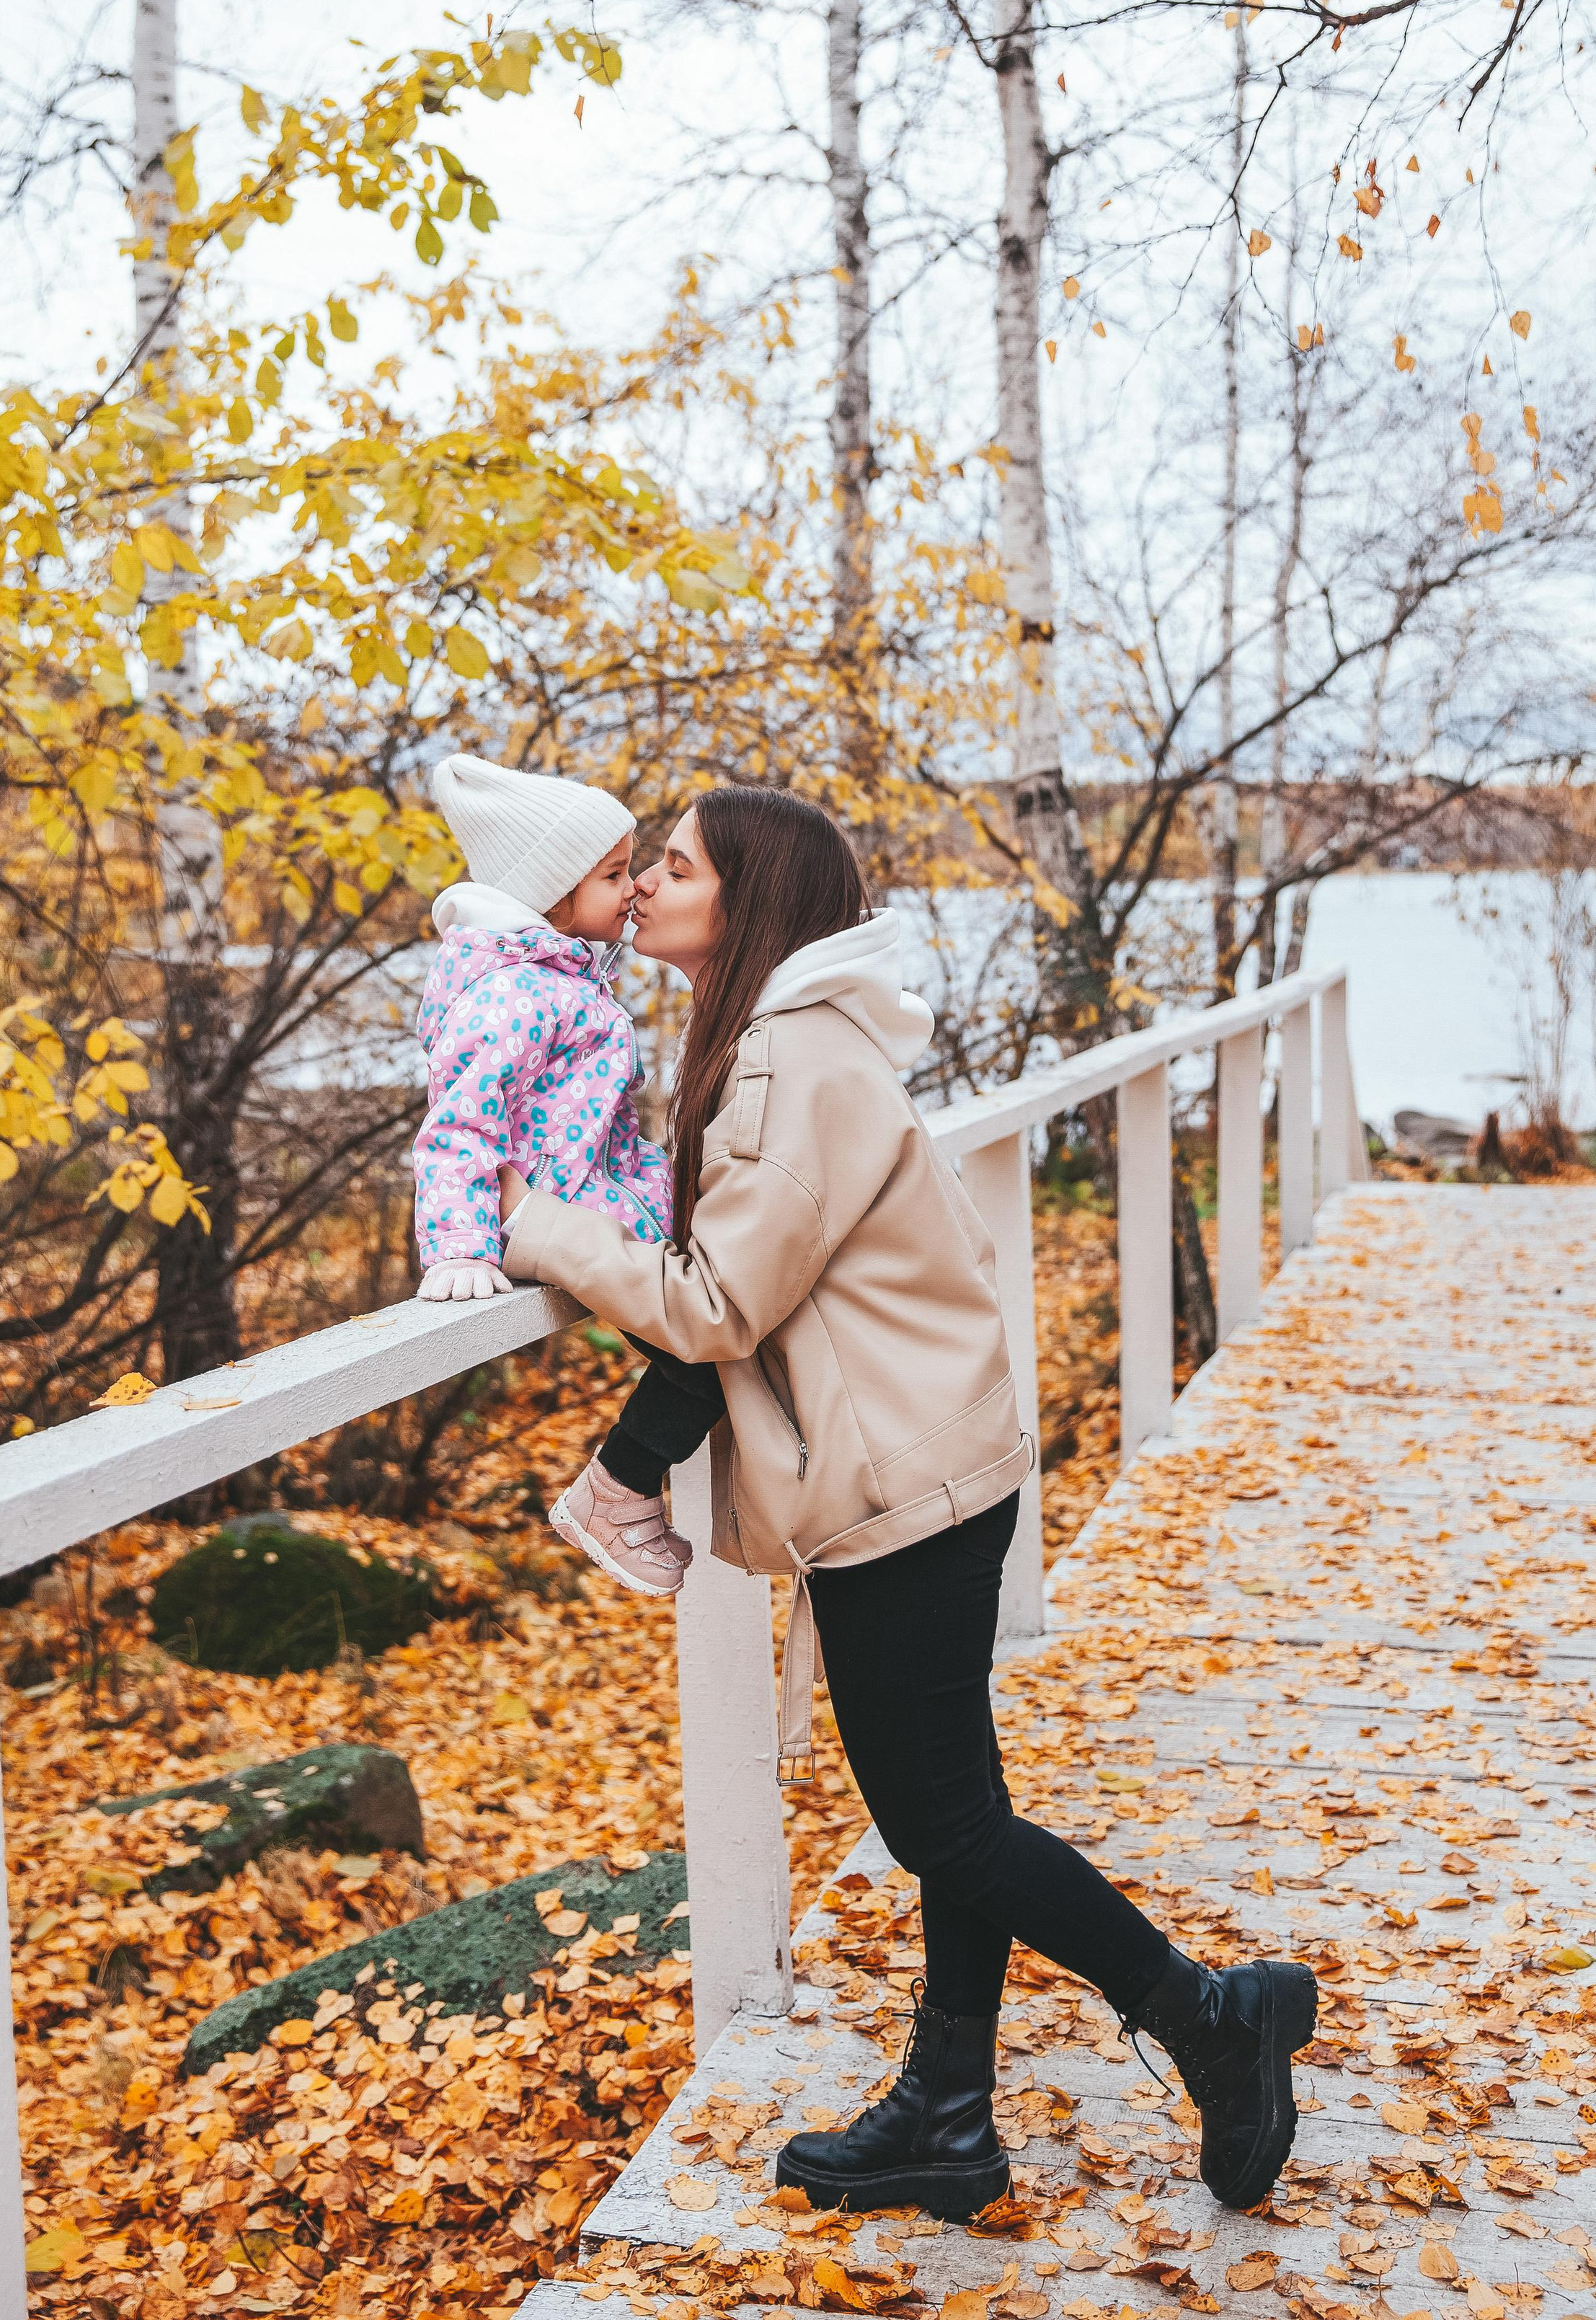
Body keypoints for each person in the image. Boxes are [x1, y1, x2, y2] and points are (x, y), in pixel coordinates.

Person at [497, 783, 1317, 2223]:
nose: (639, 889)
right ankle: (946, 2115)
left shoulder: (783, 1062)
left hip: (904, 1491)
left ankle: (1211, 2017)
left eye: (670, 868)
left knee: (942, 1827)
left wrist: (537, 1224)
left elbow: (713, 1301)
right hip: (928, 1464)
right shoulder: (784, 1043)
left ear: (741, 902)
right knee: (958, 1809)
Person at [411, 754, 722, 1596]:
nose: (634, 889)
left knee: (721, 1347)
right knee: (704, 1361)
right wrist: (459, 1246)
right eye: (615, 873)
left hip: (598, 1217)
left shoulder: (565, 981)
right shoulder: (510, 993)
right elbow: (459, 1125)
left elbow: (610, 1140)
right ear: (552, 892)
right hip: (542, 1223)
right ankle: (616, 1495)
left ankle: (624, 1496)